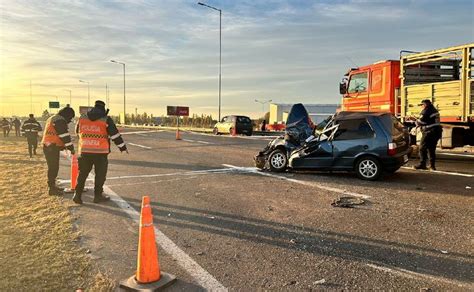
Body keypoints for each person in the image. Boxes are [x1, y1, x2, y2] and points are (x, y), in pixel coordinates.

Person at [72, 100, 127, 204]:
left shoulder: (82, 118)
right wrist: (122, 147)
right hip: (100, 152)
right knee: (100, 175)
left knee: (82, 174)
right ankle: (97, 196)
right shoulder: (106, 119)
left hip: (84, 150)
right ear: (103, 109)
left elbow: (77, 131)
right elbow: (115, 135)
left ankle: (77, 195)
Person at [42, 106, 75, 195]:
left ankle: (53, 186)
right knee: (53, 168)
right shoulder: (60, 120)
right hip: (51, 147)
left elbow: (56, 134)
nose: (70, 120)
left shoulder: (52, 118)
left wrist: (62, 146)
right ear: (67, 115)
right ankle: (52, 189)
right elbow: (64, 135)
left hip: (49, 145)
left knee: (53, 167)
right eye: (70, 118)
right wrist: (71, 148)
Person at [414, 99, 442, 171]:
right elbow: (429, 120)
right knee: (431, 149)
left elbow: (421, 121)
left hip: (429, 133)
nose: (422, 106)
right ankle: (432, 166)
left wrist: (415, 121)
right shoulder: (434, 110)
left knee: (422, 148)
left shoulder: (426, 110)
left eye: (422, 105)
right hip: (436, 132)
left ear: (425, 104)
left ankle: (422, 164)